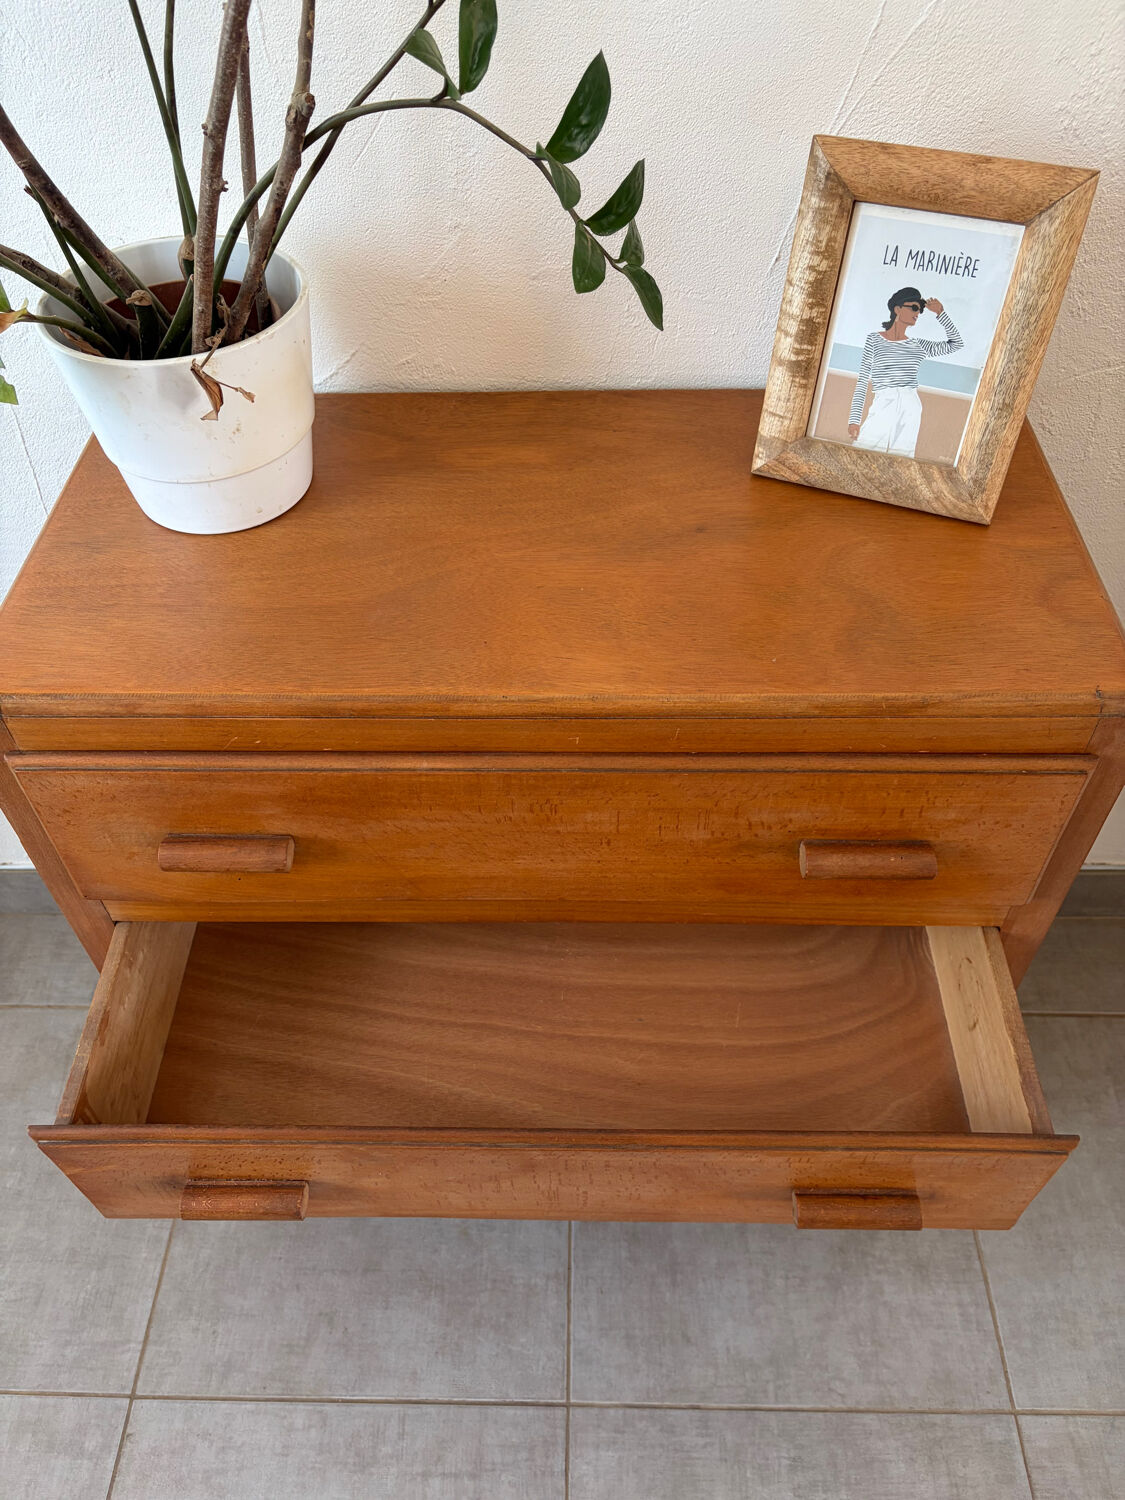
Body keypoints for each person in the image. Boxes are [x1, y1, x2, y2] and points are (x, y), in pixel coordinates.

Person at [847, 287, 963, 458]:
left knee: (901, 459)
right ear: (898, 309)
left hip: (910, 405)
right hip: (883, 402)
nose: (918, 313)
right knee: (863, 454)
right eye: (914, 308)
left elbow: (956, 344)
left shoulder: (919, 345)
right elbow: (862, 381)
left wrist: (940, 313)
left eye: (920, 310)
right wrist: (854, 420)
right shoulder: (874, 340)